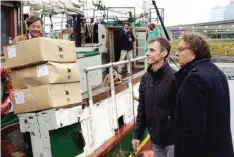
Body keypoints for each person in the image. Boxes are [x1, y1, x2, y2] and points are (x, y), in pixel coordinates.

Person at [174, 32, 234, 157]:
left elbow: (193, 130)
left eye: (180, 49)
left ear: (194, 52)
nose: (176, 53)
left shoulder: (194, 79)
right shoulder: (217, 72)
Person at [132, 37, 177, 157]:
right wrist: (137, 135)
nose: (147, 53)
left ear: (164, 53)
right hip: (156, 141)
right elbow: (142, 109)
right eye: (148, 50)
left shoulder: (175, 79)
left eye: (152, 50)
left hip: (173, 142)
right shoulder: (145, 78)